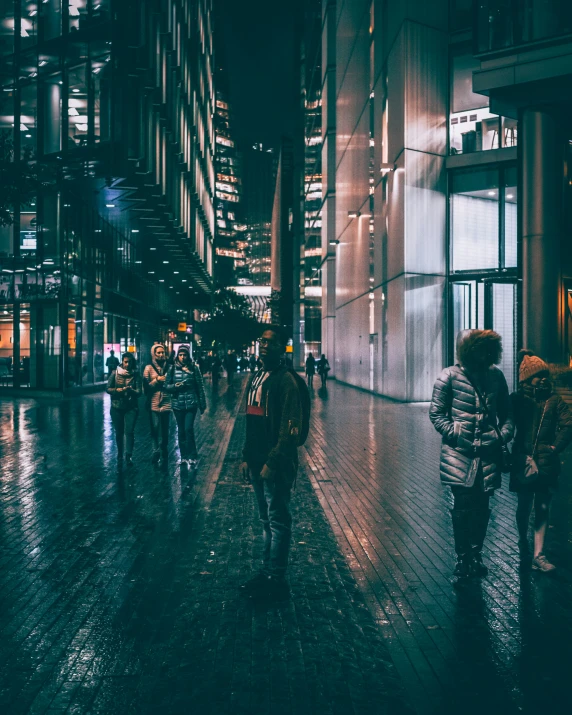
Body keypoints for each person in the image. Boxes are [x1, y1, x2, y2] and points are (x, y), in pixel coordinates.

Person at [429, 329, 514, 585]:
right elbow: (437, 414)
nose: (485, 355)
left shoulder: (496, 376)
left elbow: (508, 415)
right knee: (463, 506)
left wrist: (501, 437)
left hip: (488, 454)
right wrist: (456, 434)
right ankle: (464, 556)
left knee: (483, 507)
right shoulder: (448, 376)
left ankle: (475, 554)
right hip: (459, 454)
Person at [239, 326, 303, 601]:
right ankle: (267, 573)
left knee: (278, 521)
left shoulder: (285, 381)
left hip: (273, 465)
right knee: (266, 520)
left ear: (280, 347)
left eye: (269, 342)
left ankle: (276, 579)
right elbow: (251, 421)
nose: (263, 345)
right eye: (261, 341)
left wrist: (273, 462)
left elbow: (291, 428)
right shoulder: (257, 377)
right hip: (255, 461)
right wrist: (246, 456)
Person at [510, 350, 572, 572]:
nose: (544, 378)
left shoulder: (554, 401)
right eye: (538, 374)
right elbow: (505, 422)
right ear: (527, 379)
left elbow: (568, 424)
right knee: (524, 505)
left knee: (543, 506)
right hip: (523, 461)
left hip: (546, 463)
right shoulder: (517, 400)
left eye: (545, 374)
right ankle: (522, 540)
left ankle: (539, 555)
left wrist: (556, 447)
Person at [165, 345, 206, 468]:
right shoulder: (172, 369)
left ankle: (192, 455)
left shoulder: (194, 368)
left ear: (188, 356)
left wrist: (202, 404)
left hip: (191, 404)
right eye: (181, 355)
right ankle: (183, 456)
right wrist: (175, 387)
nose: (183, 357)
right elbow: (166, 386)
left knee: (188, 429)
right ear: (178, 355)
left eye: (185, 355)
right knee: (181, 430)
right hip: (178, 404)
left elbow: (200, 386)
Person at [107, 352, 142, 467]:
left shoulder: (136, 375)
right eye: (126, 362)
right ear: (122, 361)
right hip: (117, 406)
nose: (127, 364)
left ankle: (128, 455)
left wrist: (131, 390)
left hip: (131, 407)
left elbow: (139, 392)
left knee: (130, 431)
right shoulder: (115, 373)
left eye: (130, 362)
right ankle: (120, 453)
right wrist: (118, 390)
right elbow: (108, 389)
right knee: (119, 432)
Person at [143, 344, 172, 466]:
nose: (161, 355)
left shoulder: (170, 368)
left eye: (162, 352)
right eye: (158, 353)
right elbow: (145, 388)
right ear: (153, 354)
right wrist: (157, 380)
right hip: (153, 403)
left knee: (165, 430)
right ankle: (155, 451)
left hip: (166, 403)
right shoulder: (148, 368)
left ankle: (164, 447)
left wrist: (166, 383)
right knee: (154, 428)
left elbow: (172, 384)